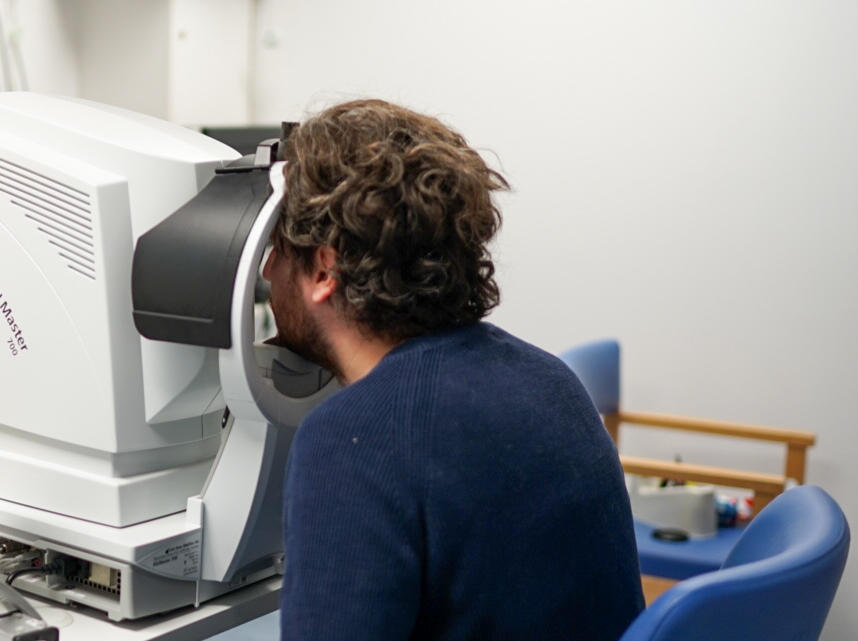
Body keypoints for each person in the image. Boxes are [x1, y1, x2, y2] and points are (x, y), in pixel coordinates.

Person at [264, 99, 644, 640]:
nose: (267, 268)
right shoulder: (550, 380)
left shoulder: (357, 440)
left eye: (277, 246)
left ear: (325, 267)